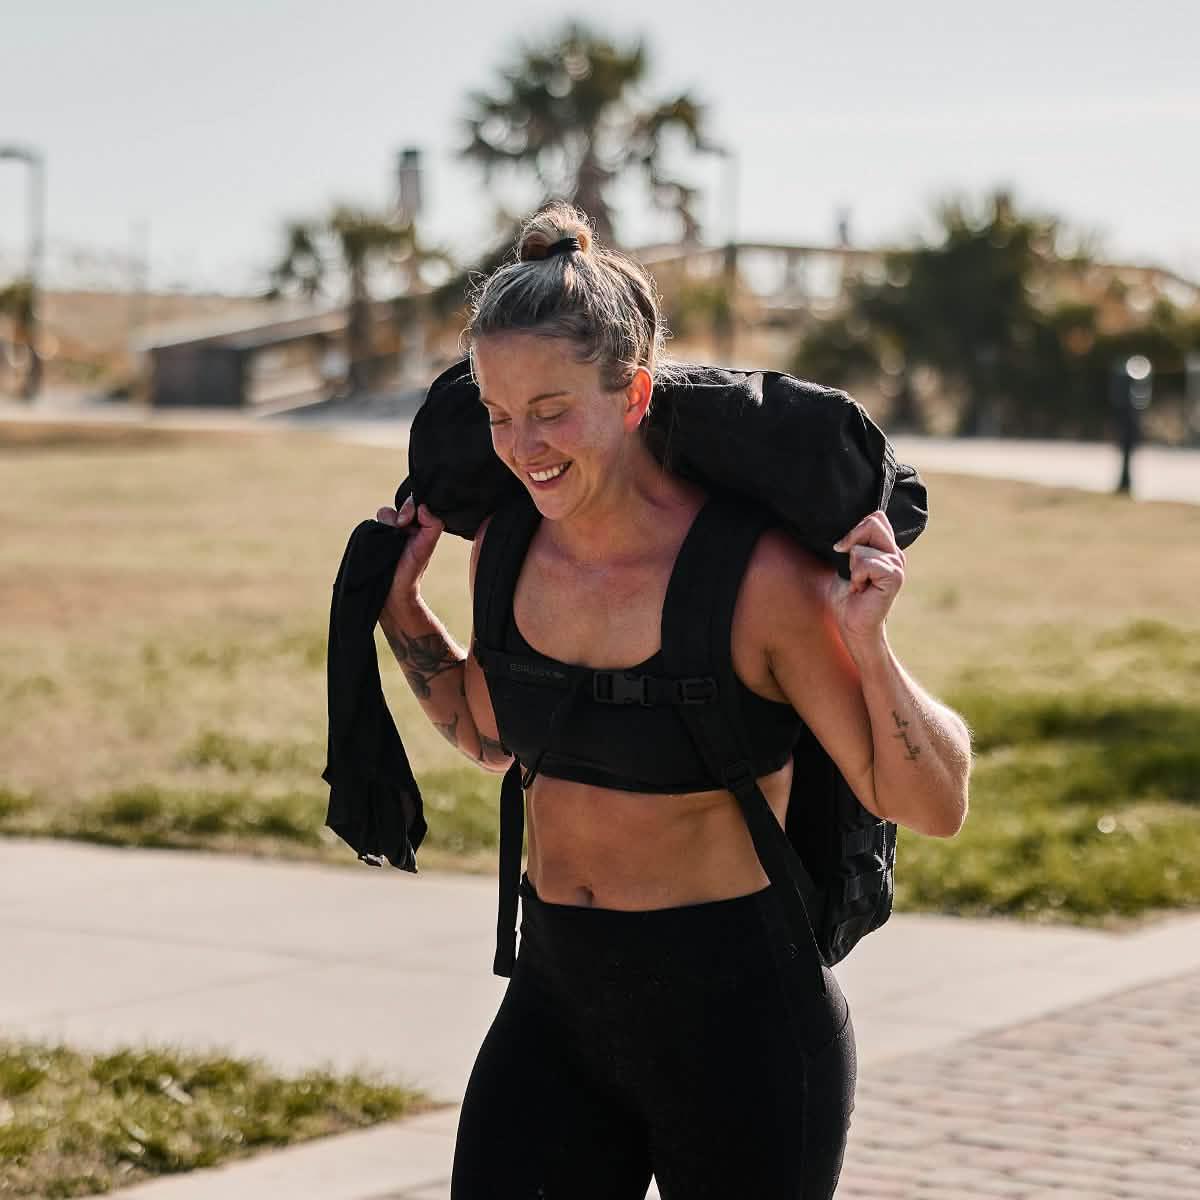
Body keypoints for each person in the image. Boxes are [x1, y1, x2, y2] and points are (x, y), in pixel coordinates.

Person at [374, 202, 972, 1200]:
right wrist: (406, 614)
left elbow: (934, 804)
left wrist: (870, 647)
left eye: (553, 409)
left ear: (636, 393)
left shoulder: (761, 581)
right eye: (498, 414)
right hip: (557, 1008)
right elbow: (490, 736)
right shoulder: (511, 548)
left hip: (744, 1032)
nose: (524, 447)